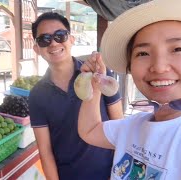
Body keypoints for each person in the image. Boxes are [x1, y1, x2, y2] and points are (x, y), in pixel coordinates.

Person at [78, 0, 181, 179]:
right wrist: (94, 84)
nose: (159, 67)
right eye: (143, 53)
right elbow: (89, 131)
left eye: (178, 49)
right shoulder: (133, 126)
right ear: (130, 67)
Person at [29, 12, 123, 179]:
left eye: (60, 35)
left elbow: (119, 128)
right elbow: (46, 152)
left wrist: (118, 172)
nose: (53, 43)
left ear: (71, 39)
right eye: (44, 39)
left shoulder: (98, 73)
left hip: (107, 172)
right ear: (37, 48)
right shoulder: (37, 95)